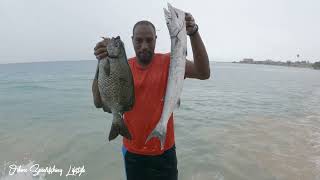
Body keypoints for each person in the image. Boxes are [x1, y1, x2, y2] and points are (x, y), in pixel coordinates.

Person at [92, 12, 210, 180]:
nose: (144, 46)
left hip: (165, 150)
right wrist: (101, 62)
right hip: (133, 152)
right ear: (132, 40)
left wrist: (193, 33)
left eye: (149, 40)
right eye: (139, 40)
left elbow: (203, 72)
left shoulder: (171, 62)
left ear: (156, 39)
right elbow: (98, 102)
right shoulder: (122, 66)